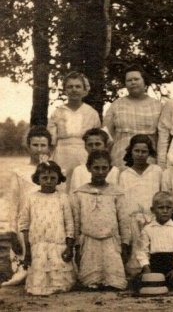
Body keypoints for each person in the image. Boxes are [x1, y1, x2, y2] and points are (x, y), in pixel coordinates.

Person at [71, 150, 129, 290]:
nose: (100, 172)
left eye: (104, 168)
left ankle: (111, 281)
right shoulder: (80, 193)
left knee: (115, 282)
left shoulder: (117, 193)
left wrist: (125, 242)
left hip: (111, 239)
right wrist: (77, 244)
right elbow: (77, 221)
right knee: (89, 282)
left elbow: (123, 220)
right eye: (96, 168)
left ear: (110, 168)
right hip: (89, 240)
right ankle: (93, 282)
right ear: (88, 168)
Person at [6, 126, 54, 286]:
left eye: (43, 145)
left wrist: (46, 167)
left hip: (49, 224)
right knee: (26, 271)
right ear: (28, 146)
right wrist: (13, 232)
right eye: (35, 145)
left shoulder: (54, 170)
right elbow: (13, 205)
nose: (39, 149)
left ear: (49, 147)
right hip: (26, 225)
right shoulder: (19, 172)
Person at [18, 161, 75, 295]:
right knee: (39, 278)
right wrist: (27, 246)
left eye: (53, 178)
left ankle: (58, 286)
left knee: (59, 278)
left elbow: (69, 223)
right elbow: (24, 224)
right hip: (38, 244)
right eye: (44, 178)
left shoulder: (63, 198)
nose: (48, 181)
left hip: (58, 243)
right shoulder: (31, 198)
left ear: (58, 179)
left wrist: (69, 246)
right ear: (37, 179)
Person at [117, 134, 163, 275]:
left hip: (153, 217)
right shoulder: (125, 175)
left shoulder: (156, 171)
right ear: (131, 151)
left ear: (149, 153)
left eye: (144, 151)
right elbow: (123, 201)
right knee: (136, 249)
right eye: (137, 151)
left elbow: (161, 193)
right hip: (133, 220)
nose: (140, 155)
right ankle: (137, 273)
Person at [48, 71, 102, 181]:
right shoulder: (57, 113)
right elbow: (51, 142)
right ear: (65, 90)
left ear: (84, 89)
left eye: (78, 86)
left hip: (84, 156)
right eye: (70, 87)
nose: (74, 89)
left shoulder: (92, 113)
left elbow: (98, 141)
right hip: (62, 156)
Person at [105, 64, 162, 167]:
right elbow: (106, 136)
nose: (133, 82)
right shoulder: (116, 105)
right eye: (129, 80)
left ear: (144, 81)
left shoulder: (158, 106)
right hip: (120, 159)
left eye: (136, 79)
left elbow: (163, 137)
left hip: (149, 159)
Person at [134, 192, 173, 289]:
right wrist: (146, 268)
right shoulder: (148, 229)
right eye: (161, 208)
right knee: (140, 282)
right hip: (154, 264)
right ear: (153, 210)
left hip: (171, 264)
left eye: (168, 208)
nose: (165, 211)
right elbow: (142, 251)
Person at [68, 128, 120, 193]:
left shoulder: (114, 171)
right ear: (85, 147)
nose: (94, 148)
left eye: (97, 144)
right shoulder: (78, 171)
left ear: (105, 146)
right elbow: (74, 195)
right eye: (90, 144)